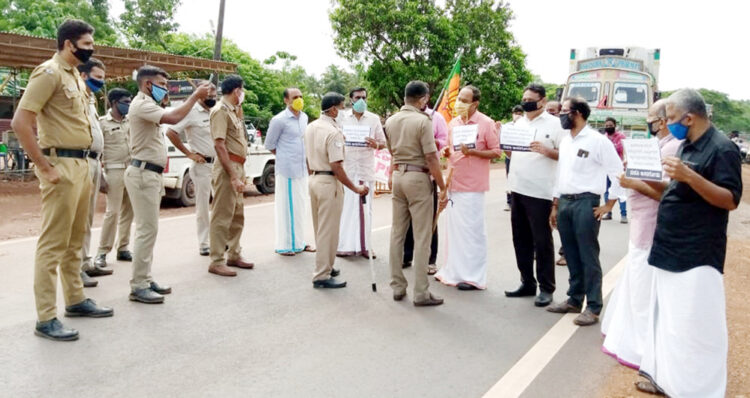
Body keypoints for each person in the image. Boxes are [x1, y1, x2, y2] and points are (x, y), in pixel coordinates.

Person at [11, 19, 113, 341]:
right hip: (61, 165)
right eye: (86, 45)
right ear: (69, 44)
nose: (91, 49)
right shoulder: (49, 73)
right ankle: (46, 318)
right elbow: (20, 123)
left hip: (83, 166)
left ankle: (76, 299)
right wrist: (43, 166)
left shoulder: (75, 77)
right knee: (53, 244)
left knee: (75, 239)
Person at [636, 89, 742, 397]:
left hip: (697, 253)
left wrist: (689, 176)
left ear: (690, 117)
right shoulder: (686, 146)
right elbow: (675, 189)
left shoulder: (722, 149)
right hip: (670, 247)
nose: (667, 124)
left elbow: (730, 199)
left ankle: (699, 391)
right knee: (671, 324)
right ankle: (670, 382)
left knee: (696, 328)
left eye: (670, 118)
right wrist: (642, 175)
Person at [601, 99, 681, 370]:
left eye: (650, 116)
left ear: (663, 119)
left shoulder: (673, 147)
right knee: (636, 283)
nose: (649, 121)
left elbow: (666, 191)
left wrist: (633, 182)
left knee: (643, 287)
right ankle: (631, 340)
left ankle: (642, 348)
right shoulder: (659, 144)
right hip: (642, 223)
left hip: (651, 224)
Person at [124, 65, 209, 304]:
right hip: (143, 173)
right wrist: (195, 96)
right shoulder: (141, 104)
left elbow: (171, 113)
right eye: (162, 85)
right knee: (146, 230)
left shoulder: (148, 104)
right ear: (147, 84)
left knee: (149, 230)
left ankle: (145, 277)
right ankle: (139, 284)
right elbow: (173, 118)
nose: (165, 89)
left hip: (149, 174)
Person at [547, 97, 623, 326]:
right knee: (570, 253)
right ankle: (574, 298)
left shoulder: (597, 141)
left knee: (588, 255)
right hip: (566, 203)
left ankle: (593, 306)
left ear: (577, 113)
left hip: (586, 202)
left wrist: (610, 204)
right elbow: (561, 174)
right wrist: (555, 204)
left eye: (565, 111)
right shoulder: (566, 141)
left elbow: (617, 171)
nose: (561, 115)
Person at [385, 81, 446, 306]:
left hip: (399, 175)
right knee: (422, 236)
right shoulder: (423, 121)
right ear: (423, 100)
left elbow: (392, 151)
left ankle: (397, 286)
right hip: (418, 178)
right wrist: (442, 186)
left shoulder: (391, 120)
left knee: (397, 233)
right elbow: (431, 157)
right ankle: (421, 292)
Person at [435, 85, 501, 290]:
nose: (459, 103)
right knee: (454, 231)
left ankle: (473, 277)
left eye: (464, 100)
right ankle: (452, 271)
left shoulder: (486, 123)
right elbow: (450, 147)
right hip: (454, 181)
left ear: (475, 103)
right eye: (459, 99)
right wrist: (447, 150)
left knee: (472, 232)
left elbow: (496, 152)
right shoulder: (453, 123)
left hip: (473, 186)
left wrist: (473, 153)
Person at [504, 84, 564, 307]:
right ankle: (527, 282)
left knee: (542, 241)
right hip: (517, 188)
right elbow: (513, 152)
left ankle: (546, 288)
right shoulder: (519, 123)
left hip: (541, 192)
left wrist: (548, 151)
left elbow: (566, 155)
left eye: (530, 98)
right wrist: (506, 146)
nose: (526, 101)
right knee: (520, 239)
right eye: (524, 98)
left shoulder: (555, 125)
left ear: (542, 101)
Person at [306, 92, 369, 288]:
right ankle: (322, 275)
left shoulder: (311, 127)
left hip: (315, 179)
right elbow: (337, 166)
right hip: (328, 182)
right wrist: (355, 188)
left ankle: (326, 264)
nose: (344, 111)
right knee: (329, 230)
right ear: (333, 109)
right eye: (342, 107)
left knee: (320, 228)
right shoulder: (333, 132)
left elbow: (308, 157)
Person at [206, 75, 255, 277]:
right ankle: (216, 260)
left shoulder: (234, 111)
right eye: (241, 91)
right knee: (222, 214)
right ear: (237, 91)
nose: (242, 95)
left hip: (238, 166)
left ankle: (234, 253)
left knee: (237, 213)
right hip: (228, 167)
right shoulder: (220, 111)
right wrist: (233, 175)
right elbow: (219, 145)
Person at [166, 82, 218, 257]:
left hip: (219, 165)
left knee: (221, 205)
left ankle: (219, 240)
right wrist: (189, 153)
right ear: (200, 94)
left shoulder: (217, 111)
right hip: (202, 165)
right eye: (209, 96)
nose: (212, 99)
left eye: (214, 96)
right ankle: (204, 243)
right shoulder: (191, 112)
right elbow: (171, 132)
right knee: (203, 206)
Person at [336, 87, 385, 258]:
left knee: (365, 209)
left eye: (364, 97)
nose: (361, 100)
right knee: (346, 208)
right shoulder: (342, 118)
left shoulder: (373, 119)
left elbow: (383, 142)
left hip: (365, 168)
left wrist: (376, 145)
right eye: (358, 97)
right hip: (347, 169)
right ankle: (345, 245)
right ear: (351, 100)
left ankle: (365, 246)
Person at [77, 58, 112, 288]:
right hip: (78, 161)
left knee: (88, 217)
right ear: (83, 76)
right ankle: (75, 268)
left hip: (93, 162)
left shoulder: (90, 100)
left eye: (102, 77)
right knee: (77, 219)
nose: (100, 81)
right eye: (97, 77)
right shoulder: (77, 98)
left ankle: (85, 261)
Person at [265, 88, 313, 256]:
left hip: (301, 169)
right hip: (287, 169)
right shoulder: (279, 120)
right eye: (294, 97)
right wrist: (285, 156)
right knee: (287, 208)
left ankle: (300, 241)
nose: (298, 99)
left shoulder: (304, 117)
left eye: (300, 96)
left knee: (301, 207)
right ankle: (286, 245)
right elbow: (269, 144)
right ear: (286, 100)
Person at [402, 104, 448, 274]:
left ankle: (430, 259)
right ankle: (406, 256)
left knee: (429, 219)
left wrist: (432, 140)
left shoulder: (436, 117)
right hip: (406, 173)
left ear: (426, 98)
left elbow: (444, 142)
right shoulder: (404, 116)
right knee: (406, 219)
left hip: (428, 174)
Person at [94, 89, 134, 270]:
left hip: (131, 170)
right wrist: (101, 177)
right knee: (113, 212)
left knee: (129, 211)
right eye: (125, 101)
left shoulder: (130, 121)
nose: (128, 104)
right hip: (113, 170)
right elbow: (97, 152)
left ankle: (123, 247)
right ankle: (102, 252)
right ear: (113, 103)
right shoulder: (102, 123)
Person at [602, 117, 628, 223]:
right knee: (607, 190)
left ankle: (623, 215)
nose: (608, 127)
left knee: (620, 191)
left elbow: (626, 151)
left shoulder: (621, 137)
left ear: (615, 125)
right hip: (606, 168)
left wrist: (626, 161)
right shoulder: (603, 138)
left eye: (610, 125)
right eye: (607, 125)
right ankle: (608, 212)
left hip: (619, 168)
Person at [502, 105, 524, 212]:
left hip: (522, 157)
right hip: (509, 156)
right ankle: (509, 202)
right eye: (516, 113)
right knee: (510, 178)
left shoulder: (525, 126)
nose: (517, 116)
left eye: (520, 113)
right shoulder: (508, 126)